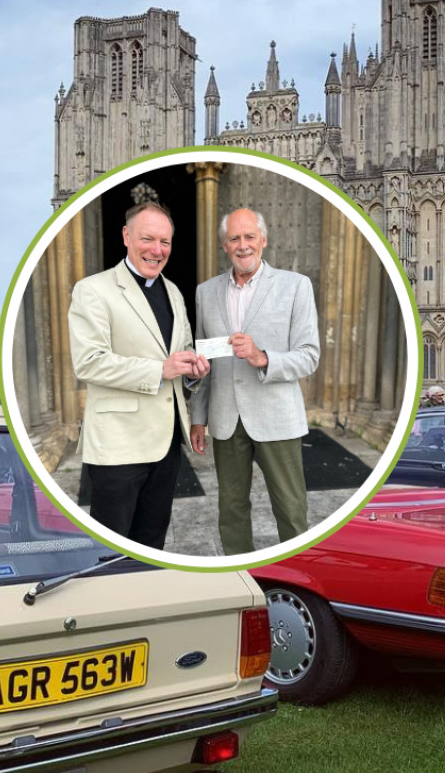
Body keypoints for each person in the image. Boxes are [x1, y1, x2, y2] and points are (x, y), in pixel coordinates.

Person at [69, 201, 209, 549]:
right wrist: (159, 370)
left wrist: (194, 372)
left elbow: (182, 352)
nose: (157, 250)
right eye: (148, 239)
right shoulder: (93, 290)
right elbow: (88, 361)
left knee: (151, 543)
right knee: (111, 549)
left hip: (165, 445)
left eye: (165, 242)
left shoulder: (174, 292)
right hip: (119, 444)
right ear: (126, 236)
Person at [190, 208, 319, 556]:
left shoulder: (295, 286)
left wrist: (263, 357)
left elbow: (309, 355)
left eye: (249, 237)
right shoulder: (206, 292)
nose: (243, 245)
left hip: (276, 417)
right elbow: (206, 362)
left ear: (263, 240)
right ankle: (240, 577)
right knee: (230, 511)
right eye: (235, 238)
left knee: (291, 511)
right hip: (226, 419)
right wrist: (198, 417)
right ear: (224, 245)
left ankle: (297, 579)